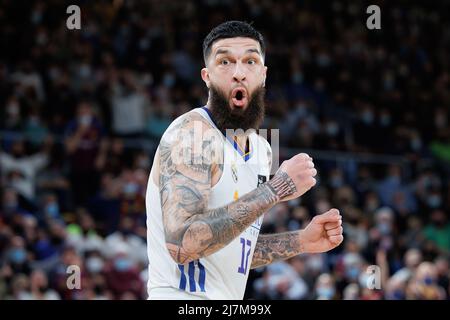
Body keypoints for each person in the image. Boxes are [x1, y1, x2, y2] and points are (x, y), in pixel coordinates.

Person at [145, 21, 344, 300]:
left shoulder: (262, 150)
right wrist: (276, 189)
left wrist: (301, 241)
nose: (238, 73)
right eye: (225, 61)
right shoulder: (192, 135)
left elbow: (230, 249)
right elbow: (182, 245)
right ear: (207, 76)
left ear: (262, 75)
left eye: (250, 61)